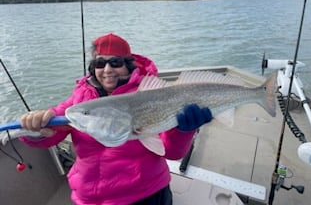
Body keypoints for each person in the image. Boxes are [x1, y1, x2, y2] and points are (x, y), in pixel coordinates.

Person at [20, 33, 213, 205]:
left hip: (145, 195)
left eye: (115, 63)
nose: (107, 70)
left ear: (129, 65)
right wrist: (35, 129)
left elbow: (171, 152)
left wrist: (183, 131)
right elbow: (53, 130)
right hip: (88, 197)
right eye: (100, 63)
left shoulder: (149, 95)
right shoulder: (80, 99)